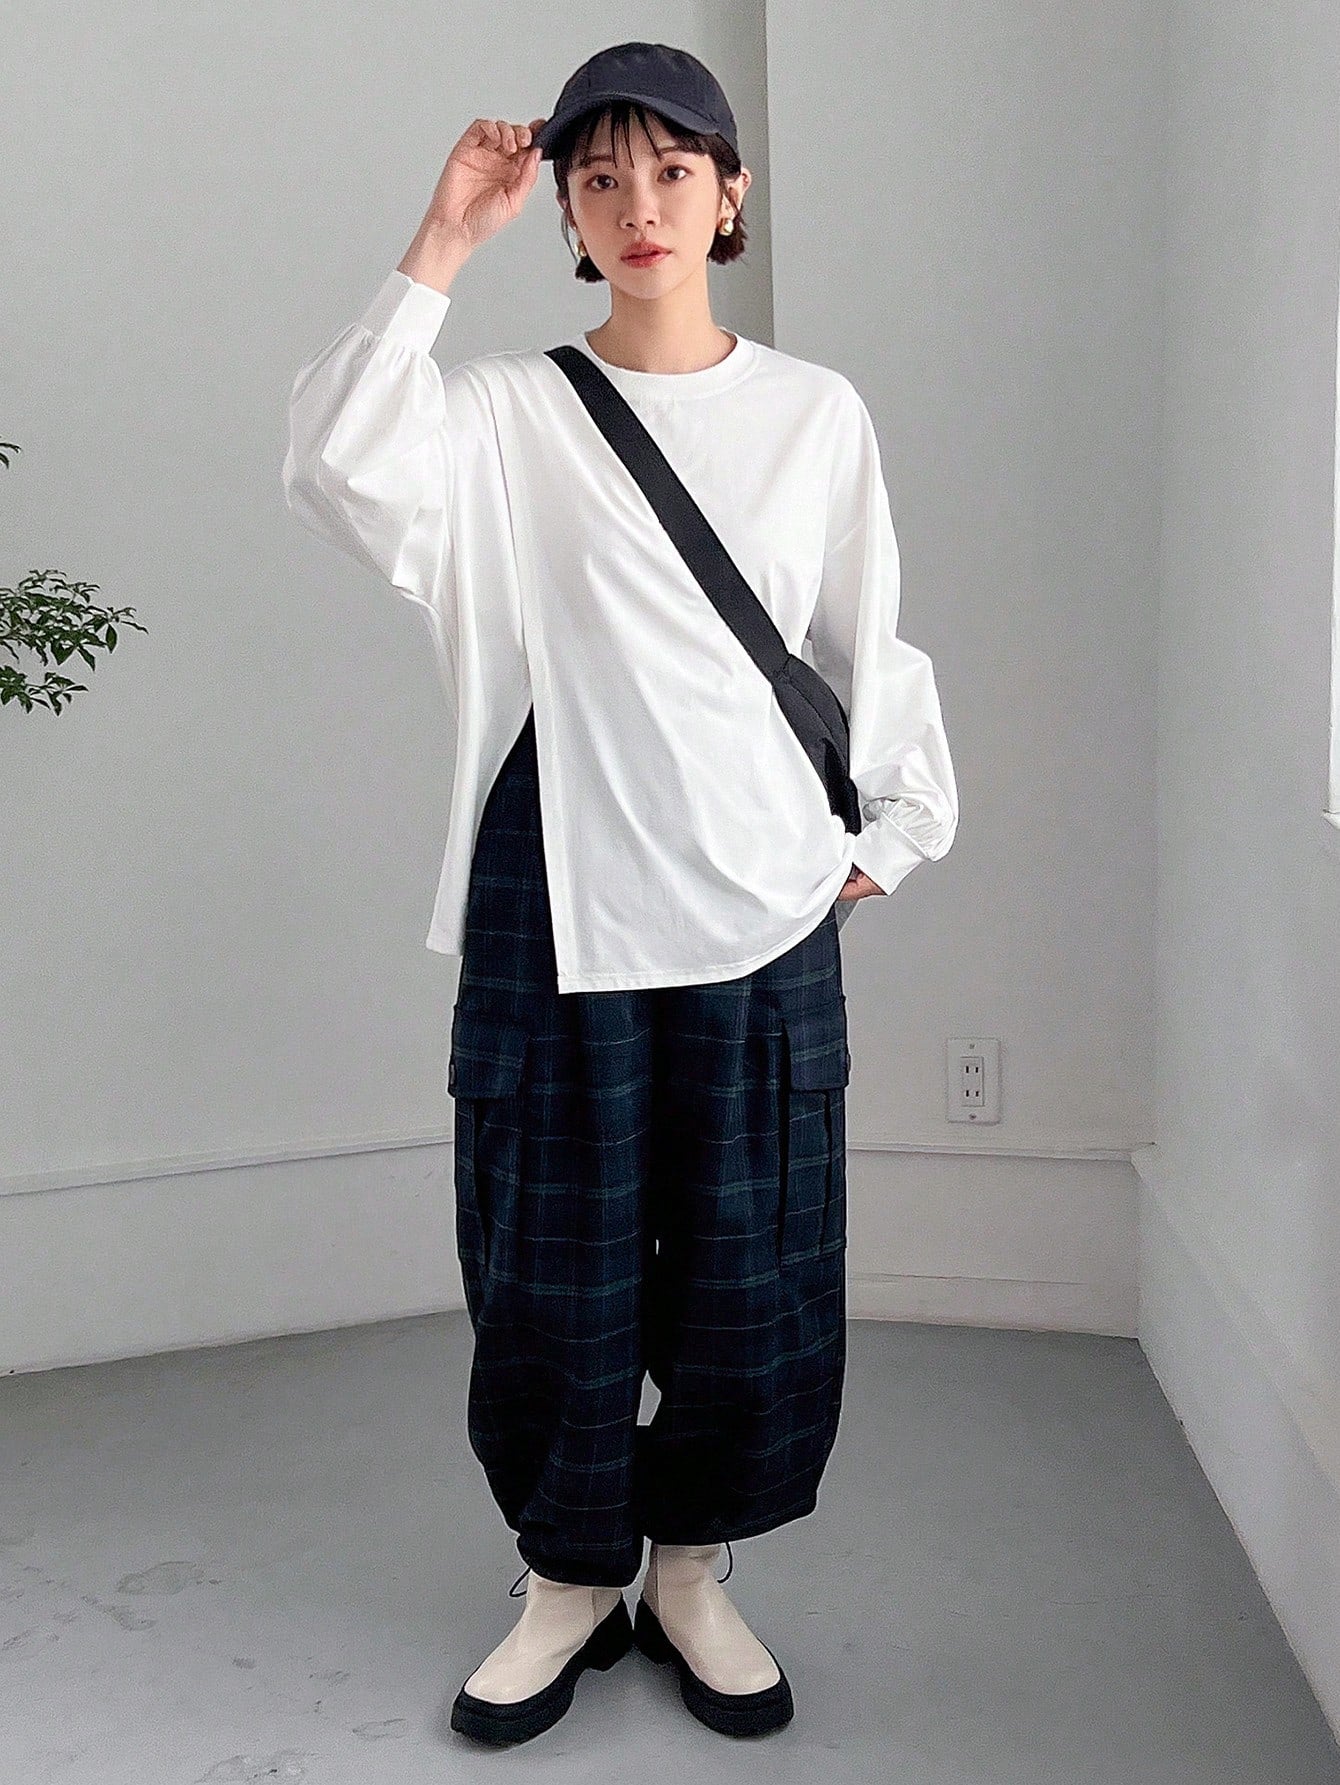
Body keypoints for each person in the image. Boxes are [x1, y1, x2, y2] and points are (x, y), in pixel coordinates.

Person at [283, 39, 958, 1749]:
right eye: (601, 178)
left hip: (758, 899)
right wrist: (443, 241)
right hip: (559, 880)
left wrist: (890, 829)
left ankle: (693, 1568)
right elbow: (339, 463)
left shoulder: (815, 413)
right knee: (548, 1262)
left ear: (730, 195)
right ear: (569, 216)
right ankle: (566, 1578)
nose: (638, 204)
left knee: (752, 1252)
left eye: (672, 170)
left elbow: (863, 637)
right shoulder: (509, 412)